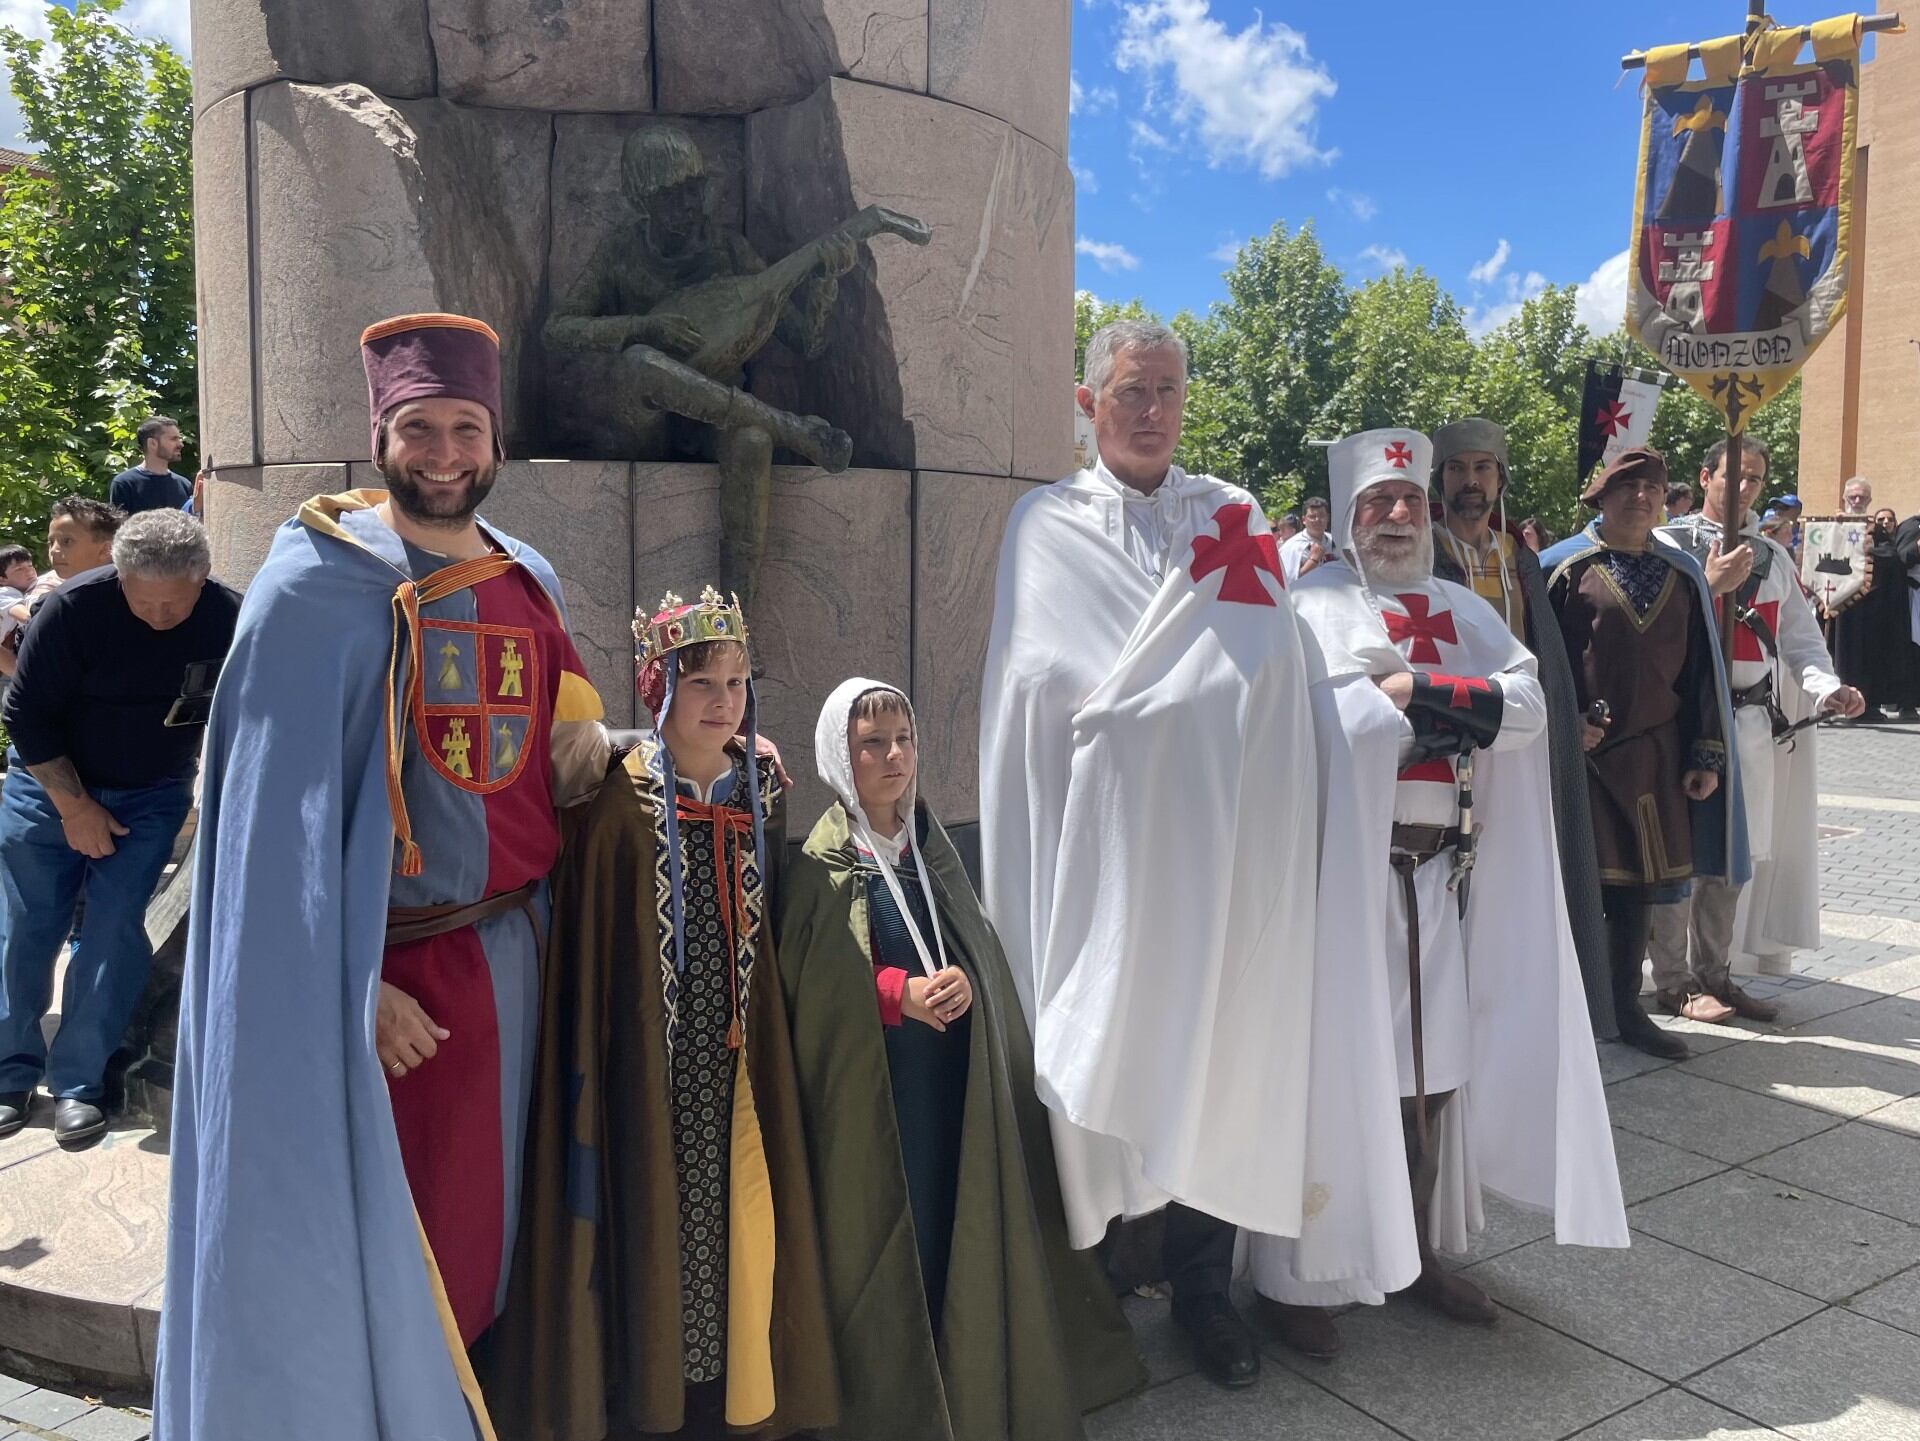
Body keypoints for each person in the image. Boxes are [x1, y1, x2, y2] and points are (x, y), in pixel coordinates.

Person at [155, 314, 614, 1441]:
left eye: (466, 426)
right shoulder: (313, 585)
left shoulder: (526, 580)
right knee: (402, 1262)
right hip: (392, 996)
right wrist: (348, 992)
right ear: (381, 435)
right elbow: (266, 839)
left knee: (504, 1243)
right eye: (420, 428)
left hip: (522, 964)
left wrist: (689, 753)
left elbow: (568, 749)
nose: (446, 451)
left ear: (495, 437)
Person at [981, 319, 1321, 1390]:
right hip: (1104, 854)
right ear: (1089, 404)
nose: (1152, 410)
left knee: (1219, 1047)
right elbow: (1042, 680)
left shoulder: (1230, 514)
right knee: (1103, 1044)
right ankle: (1105, 1287)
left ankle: (1207, 1290)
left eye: (1168, 391)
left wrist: (1164, 707)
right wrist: (1136, 710)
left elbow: (1268, 663)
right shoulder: (1046, 523)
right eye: (1131, 391)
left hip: (1218, 840)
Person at [1251, 428, 1626, 1348]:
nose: (1396, 516)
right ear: (1345, 518)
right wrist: (1446, 713)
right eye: (1377, 502)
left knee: (1433, 1077)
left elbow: (1530, 707)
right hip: (1344, 879)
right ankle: (1301, 1275)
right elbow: (1323, 720)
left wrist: (1419, 686)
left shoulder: (1463, 605)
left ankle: (1415, 1249)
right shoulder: (1311, 608)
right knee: (1337, 1068)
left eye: (1408, 501)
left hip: (1442, 874)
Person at [491, 588, 836, 1441]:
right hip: (648, 1050)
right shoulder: (618, 799)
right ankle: (656, 1387)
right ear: (661, 690)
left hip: (739, 1051)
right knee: (653, 1205)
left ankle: (730, 1380)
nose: (724, 703)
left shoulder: (763, 788)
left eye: (737, 683)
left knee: (738, 1209)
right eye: (704, 685)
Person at [776, 677, 1142, 1439]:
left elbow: (974, 950)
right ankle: (893, 1396)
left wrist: (966, 987)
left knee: (954, 1216)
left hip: (951, 1083)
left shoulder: (931, 850)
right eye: (871, 742)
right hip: (879, 1094)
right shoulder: (820, 866)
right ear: (838, 756)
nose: (893, 756)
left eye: (904, 738)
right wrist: (894, 994)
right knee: (889, 1231)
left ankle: (964, 1367)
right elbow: (813, 989)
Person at [0, 510, 238, 1145]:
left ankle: (79, 1080)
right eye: (145, 602)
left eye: (174, 605)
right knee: (27, 924)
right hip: (49, 785)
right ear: (118, 576)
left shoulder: (229, 614)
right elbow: (25, 718)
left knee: (113, 931)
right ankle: (9, 1072)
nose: (160, 617)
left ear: (204, 578)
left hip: (150, 793)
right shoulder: (74, 608)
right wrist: (75, 809)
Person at [1542, 448, 1747, 1060]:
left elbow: (1703, 672)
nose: (1641, 498)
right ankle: (1569, 1010)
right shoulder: (1560, 569)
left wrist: (1706, 756)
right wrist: (1564, 725)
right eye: (1627, 487)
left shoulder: (1681, 572)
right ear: (1599, 497)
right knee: (1579, 884)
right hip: (1584, 755)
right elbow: (1539, 663)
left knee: (1639, 891)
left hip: (1658, 756)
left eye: (1652, 488)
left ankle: (1626, 1009)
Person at [1651, 439, 1863, 1022]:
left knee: (1730, 858)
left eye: (1755, 479)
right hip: (1683, 721)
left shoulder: (1771, 558)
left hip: (1748, 722)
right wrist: (1706, 583)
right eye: (1736, 476)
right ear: (1706, 476)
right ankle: (1671, 979)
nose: (1745, 488)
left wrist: (1827, 688)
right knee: (1678, 853)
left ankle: (1714, 975)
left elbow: (1799, 639)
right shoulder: (1667, 548)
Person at [1427, 419, 1612, 1034]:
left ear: (1500, 478)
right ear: (1440, 478)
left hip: (1522, 738)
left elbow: (1550, 657)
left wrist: (1566, 719)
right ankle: (1449, 1008)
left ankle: (1515, 1009)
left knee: (1522, 874)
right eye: (1458, 469)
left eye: (1483, 469)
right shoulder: (1423, 552)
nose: (1471, 482)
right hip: (1453, 731)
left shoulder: (1519, 559)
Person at [1831, 501, 1920, 724]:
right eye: (1882, 519)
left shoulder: (1883, 535)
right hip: (1848, 604)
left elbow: (1892, 557)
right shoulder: (1912, 527)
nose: (1885, 523)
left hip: (1880, 606)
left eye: (1889, 520)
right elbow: (1903, 558)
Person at [110, 416, 193, 515]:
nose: (180, 444)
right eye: (173, 439)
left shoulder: (184, 485)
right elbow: (117, 527)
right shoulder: (125, 483)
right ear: (152, 443)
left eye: (179, 439)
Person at [1281, 494, 1334, 583]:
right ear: (1304, 520)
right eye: (1312, 517)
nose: (1317, 519)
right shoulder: (1292, 547)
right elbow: (1287, 584)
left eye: (1321, 516)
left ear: (1327, 518)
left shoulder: (1336, 542)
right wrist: (1313, 560)